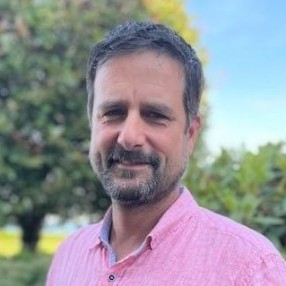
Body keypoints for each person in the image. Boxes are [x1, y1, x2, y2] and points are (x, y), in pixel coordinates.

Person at [46, 21, 286, 285]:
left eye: (155, 115)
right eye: (113, 113)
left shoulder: (249, 269)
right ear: (92, 123)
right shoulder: (69, 254)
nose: (129, 137)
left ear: (191, 134)